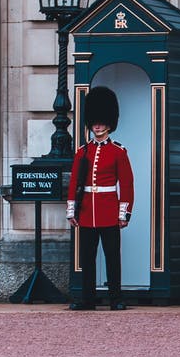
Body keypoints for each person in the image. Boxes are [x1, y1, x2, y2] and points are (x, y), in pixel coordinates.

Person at [66, 86, 134, 311]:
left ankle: (116, 298)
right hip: (86, 211)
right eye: (94, 121)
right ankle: (88, 299)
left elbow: (126, 184)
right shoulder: (82, 152)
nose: (97, 125)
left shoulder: (118, 152)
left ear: (109, 123)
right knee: (87, 258)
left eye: (101, 121)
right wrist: (72, 210)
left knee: (113, 257)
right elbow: (75, 182)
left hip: (108, 210)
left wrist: (123, 213)